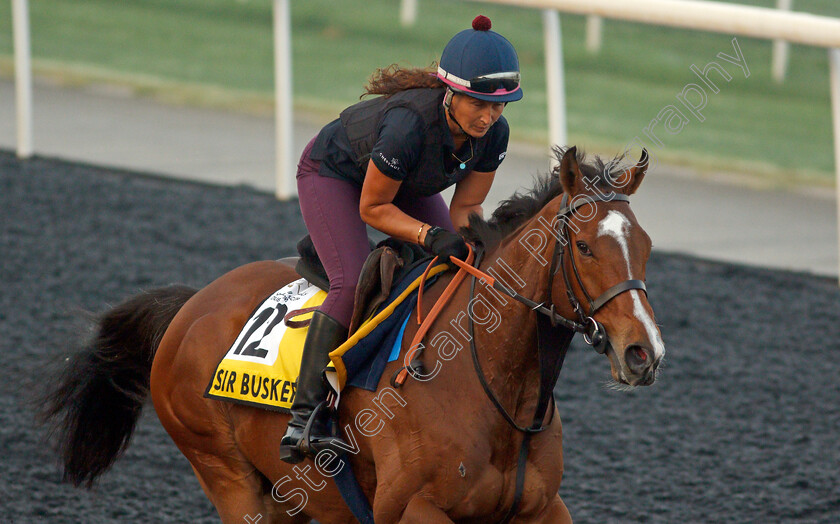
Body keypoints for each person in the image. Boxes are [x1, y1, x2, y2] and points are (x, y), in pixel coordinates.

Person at [279, 14, 523, 463]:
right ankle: (303, 421)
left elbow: (466, 210)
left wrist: (479, 246)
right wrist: (428, 235)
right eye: (478, 104)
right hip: (334, 175)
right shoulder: (410, 124)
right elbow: (372, 208)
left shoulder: (495, 135)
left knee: (456, 264)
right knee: (351, 283)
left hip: (403, 182)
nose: (489, 117)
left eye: (500, 106)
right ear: (451, 92)